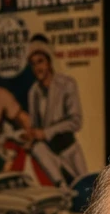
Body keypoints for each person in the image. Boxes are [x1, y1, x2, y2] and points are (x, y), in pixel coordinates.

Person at [25, 34, 88, 184]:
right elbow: (35, 126)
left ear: (48, 62)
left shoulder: (66, 84)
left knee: (86, 190)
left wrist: (46, 133)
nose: (37, 68)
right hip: (51, 155)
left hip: (69, 150)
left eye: (40, 62)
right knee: (37, 148)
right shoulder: (33, 92)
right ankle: (60, 184)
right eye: (33, 64)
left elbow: (76, 121)